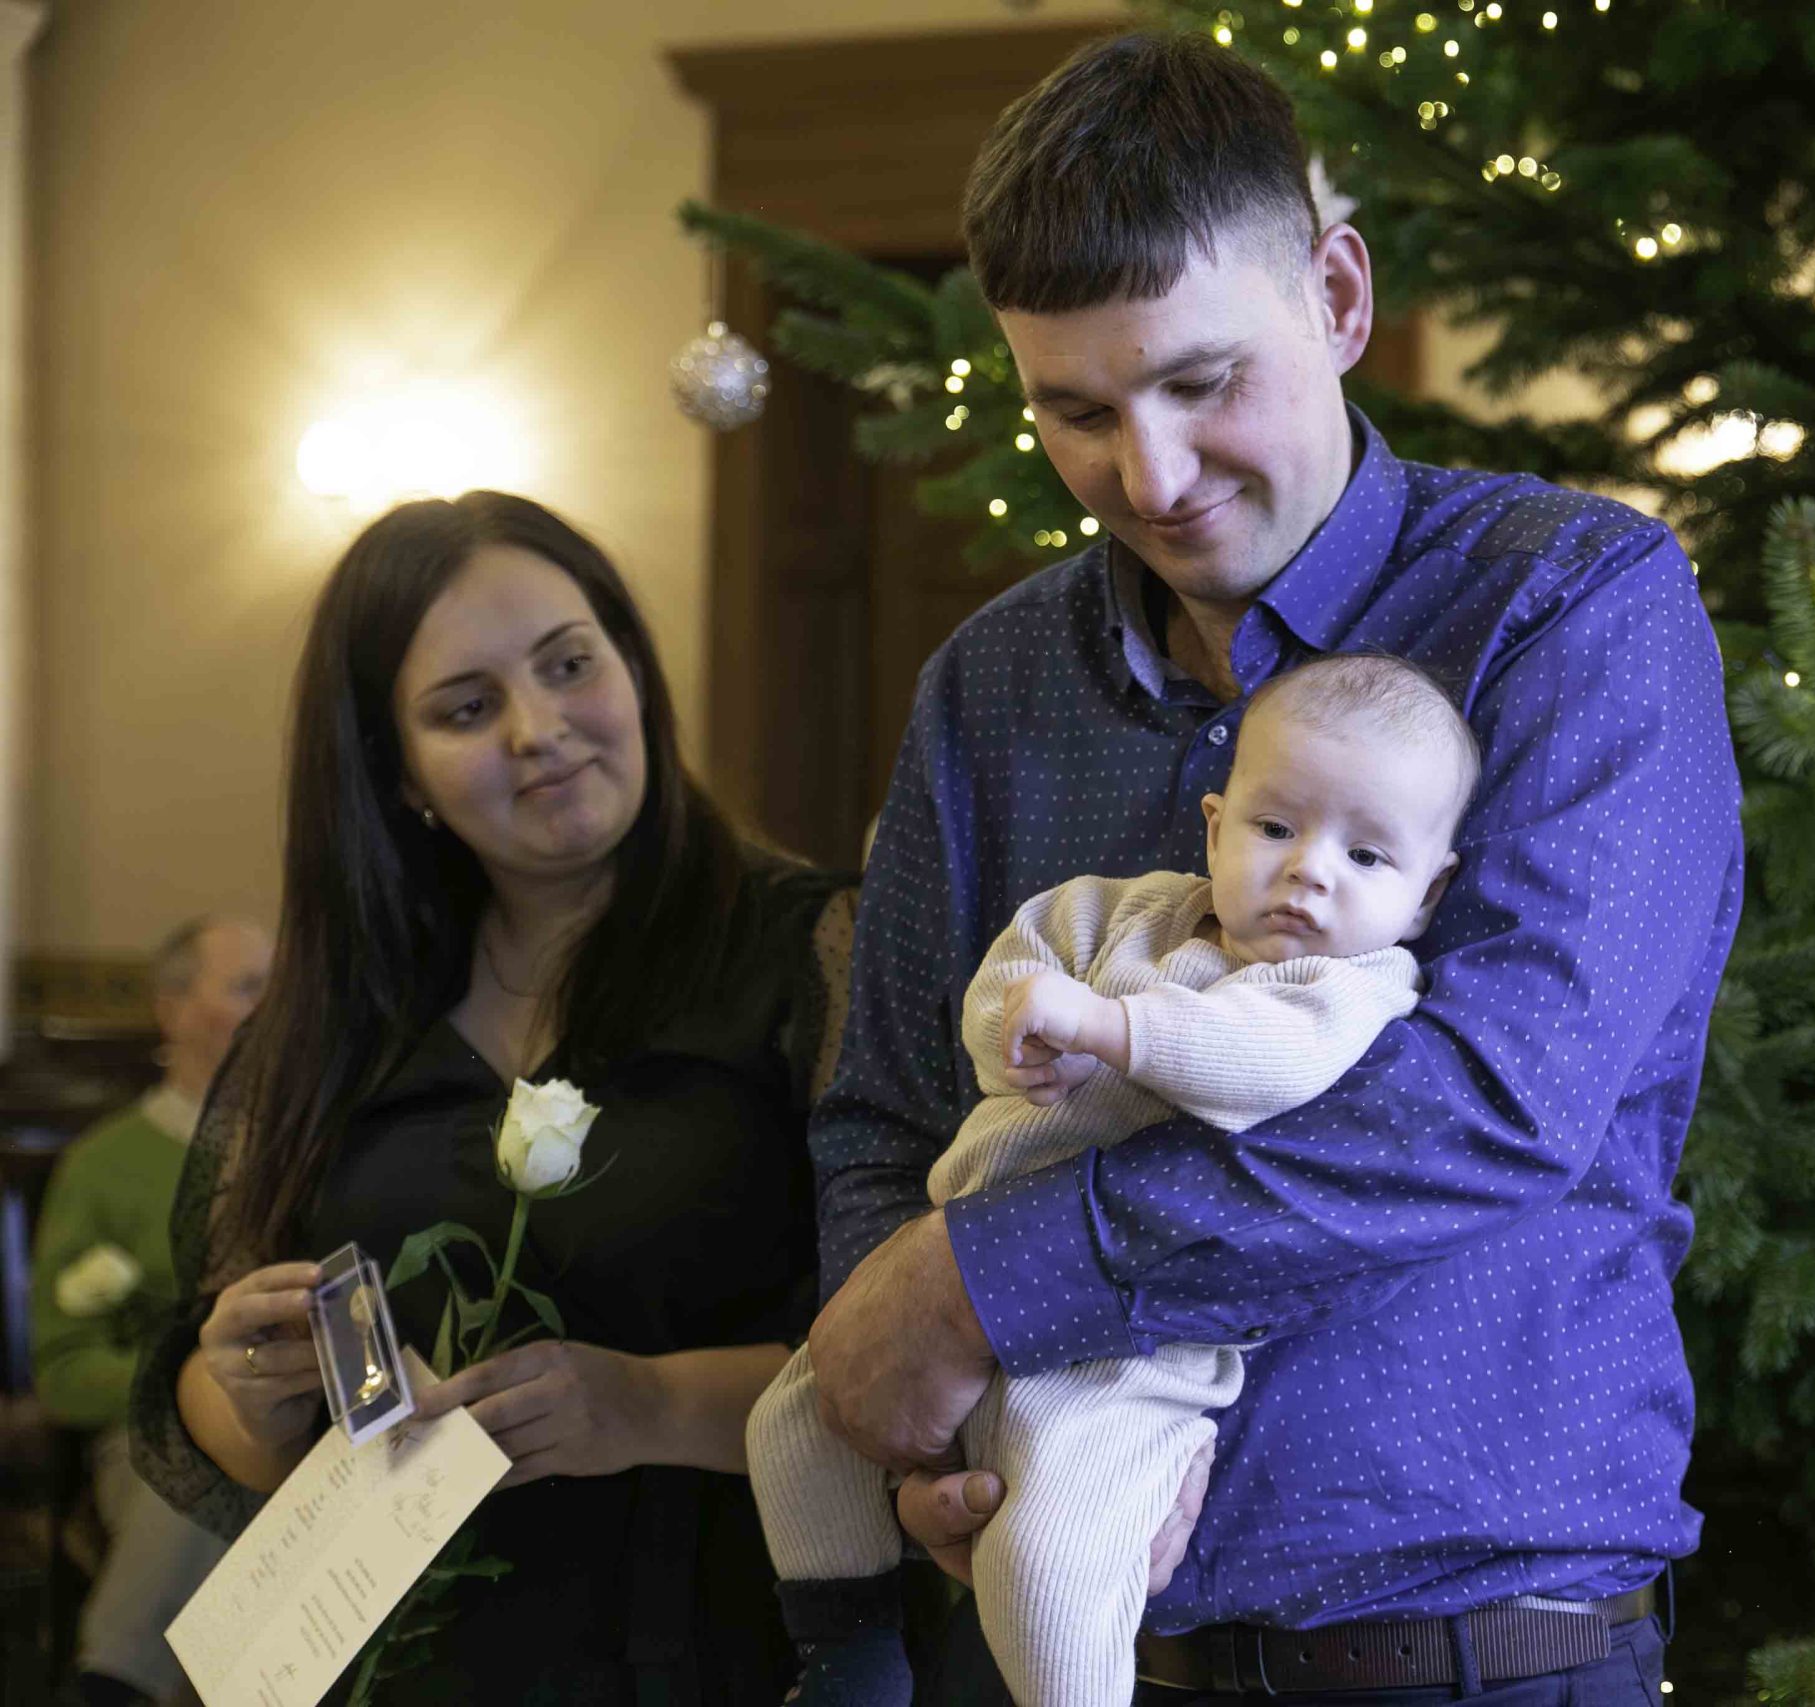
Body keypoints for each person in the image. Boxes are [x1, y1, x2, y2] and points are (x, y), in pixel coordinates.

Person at [806, 30, 1745, 1705]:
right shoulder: (990, 684)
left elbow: (1493, 1100)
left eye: (1202, 382)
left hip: (1487, 1655)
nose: (1150, 476)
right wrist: (928, 1427)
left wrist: (982, 1287)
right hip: (1103, 1648)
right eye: (1076, 411)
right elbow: (885, 1113)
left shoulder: (1572, 606)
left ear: (1338, 295)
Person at [127, 492, 851, 1704]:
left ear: (633, 667)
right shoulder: (330, 1018)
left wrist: (652, 1403)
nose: (539, 730)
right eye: (466, 709)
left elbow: (928, 1358)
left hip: (713, 1653)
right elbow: (217, 1404)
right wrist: (244, 1392)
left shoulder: (810, 951)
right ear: (397, 771)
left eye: (569, 665)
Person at [753, 653, 1476, 1706]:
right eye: (1276, 827)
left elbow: (1261, 1063)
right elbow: (1012, 968)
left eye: (1365, 854)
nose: (1310, 871)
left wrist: (1108, 1027)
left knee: (1045, 1559)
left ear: (1427, 894)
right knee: (792, 1421)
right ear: (1215, 828)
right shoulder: (1118, 912)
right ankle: (845, 1657)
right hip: (950, 1313)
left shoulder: (1348, 986)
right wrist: (1013, 1035)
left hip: (1123, 1363)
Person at [31, 916, 270, 1706]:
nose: (274, 1008)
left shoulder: (309, 1149)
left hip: (297, 1428)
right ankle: (117, 1682)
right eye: (247, 986)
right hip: (142, 1434)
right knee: (204, 1466)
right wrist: (190, 1383)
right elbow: (65, 1373)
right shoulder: (103, 1163)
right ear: (173, 1009)